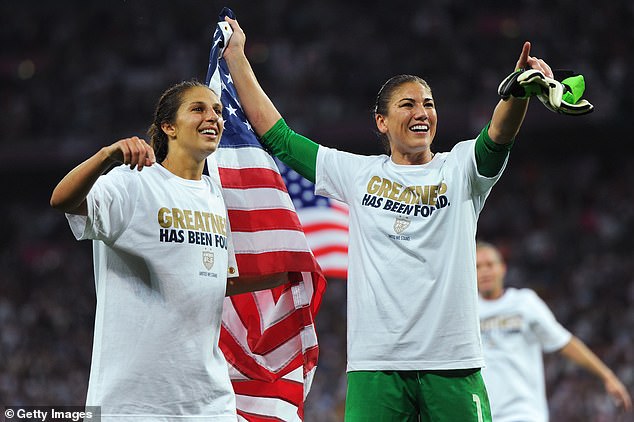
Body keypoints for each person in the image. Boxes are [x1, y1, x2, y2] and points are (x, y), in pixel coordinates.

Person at [221, 14, 557, 421]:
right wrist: (237, 56)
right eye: (408, 104)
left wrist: (517, 94)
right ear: (381, 121)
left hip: (453, 362)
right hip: (376, 364)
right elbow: (280, 138)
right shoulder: (359, 173)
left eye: (429, 104)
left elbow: (498, 136)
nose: (422, 112)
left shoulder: (461, 168)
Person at [49, 80, 289, 420]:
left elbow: (211, 278)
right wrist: (105, 157)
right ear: (168, 126)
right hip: (134, 401)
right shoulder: (134, 181)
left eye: (218, 111)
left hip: (208, 399)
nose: (213, 117)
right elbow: (62, 200)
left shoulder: (218, 197)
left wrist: (289, 270)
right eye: (198, 109)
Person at [476, 241, 632, 421]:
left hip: (523, 413)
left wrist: (607, 375)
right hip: (485, 415)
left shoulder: (524, 303)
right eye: (478, 267)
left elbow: (564, 342)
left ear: (502, 268)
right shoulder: (467, 312)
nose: (484, 271)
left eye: (489, 264)